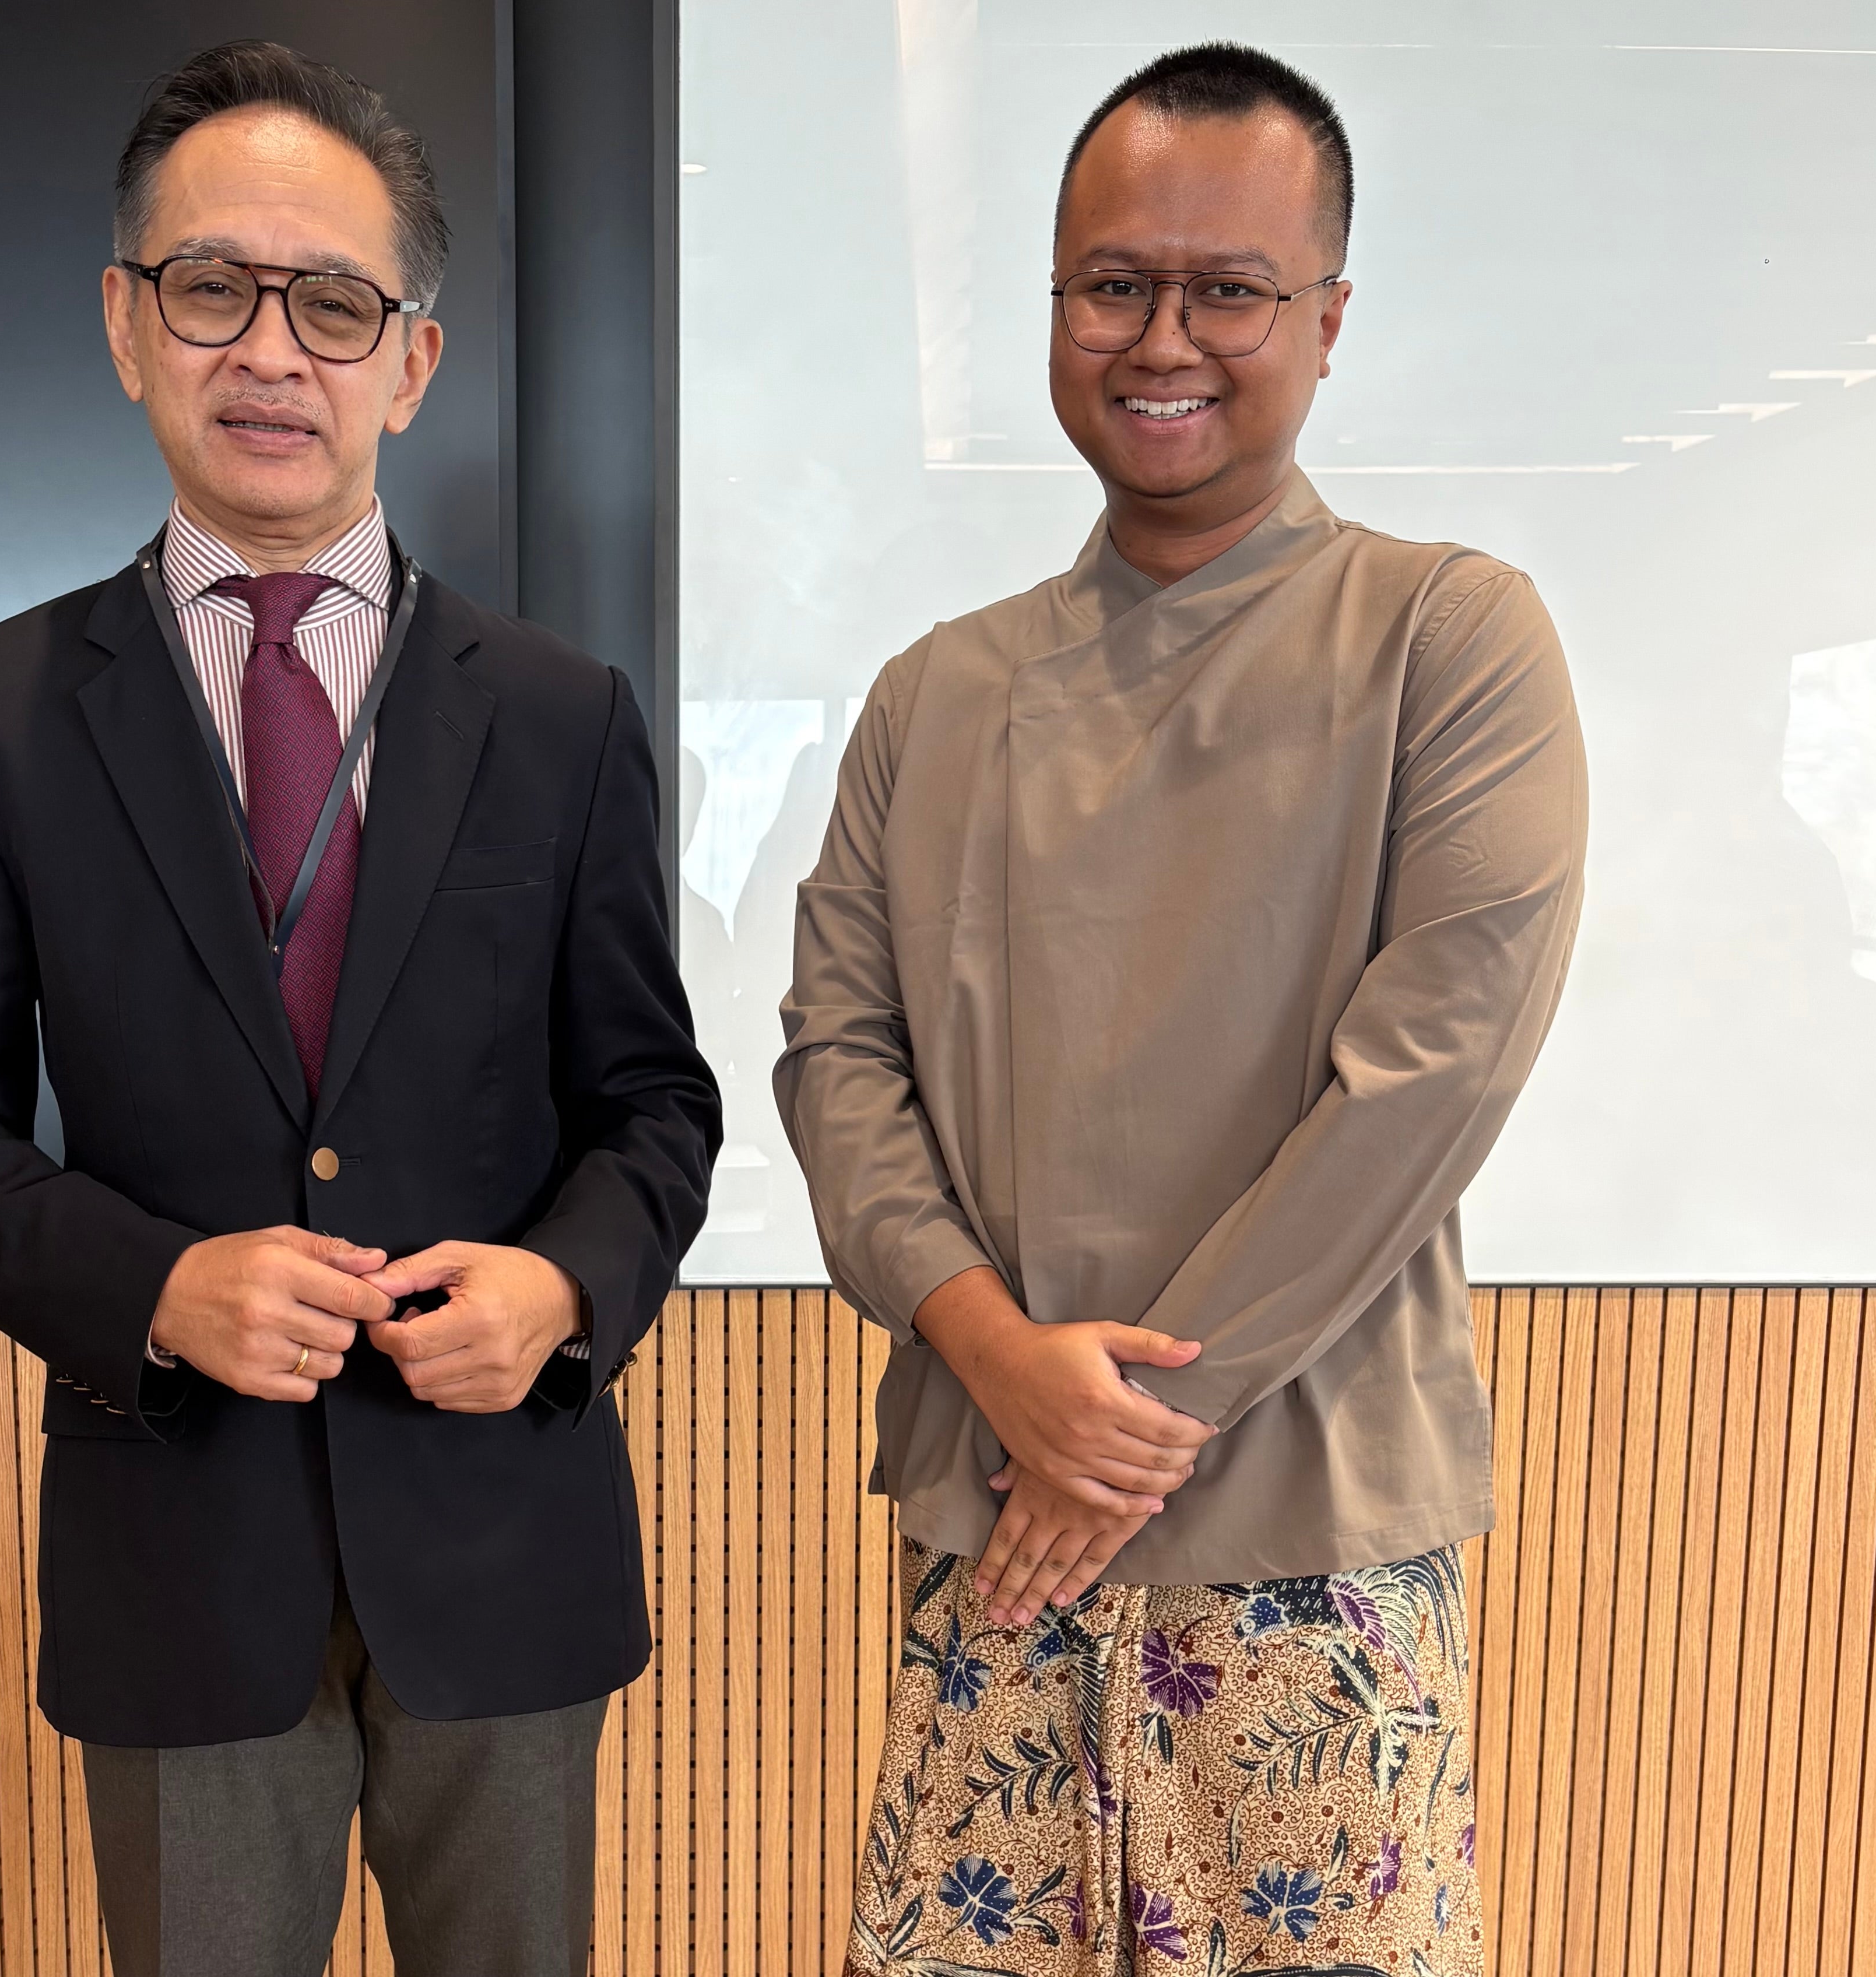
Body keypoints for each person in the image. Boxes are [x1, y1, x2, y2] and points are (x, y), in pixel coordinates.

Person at [0, 41, 718, 1977]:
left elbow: (656, 1105)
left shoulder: (562, 717)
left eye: (334, 304)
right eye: (212, 288)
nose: (270, 351)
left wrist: (563, 1293)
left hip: (502, 1539)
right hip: (180, 1554)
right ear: (124, 324)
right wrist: (157, 1288)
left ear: (412, 359)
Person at [777, 43, 1585, 1976]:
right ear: (1053, 304)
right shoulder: (934, 696)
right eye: (1114, 285)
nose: (1164, 340)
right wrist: (994, 1348)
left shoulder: (1448, 636)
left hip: (1311, 1540)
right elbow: (836, 1057)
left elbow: (1435, 1067)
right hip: (998, 1518)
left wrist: (1135, 1421)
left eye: (1231, 289)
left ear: (1327, 320)